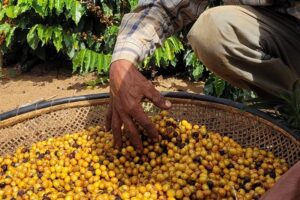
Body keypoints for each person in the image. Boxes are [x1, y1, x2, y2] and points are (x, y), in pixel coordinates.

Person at [105, 1, 300, 199]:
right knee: (212, 30)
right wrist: (122, 64)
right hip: (288, 30)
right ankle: (295, 107)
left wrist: (293, 182)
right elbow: (164, 6)